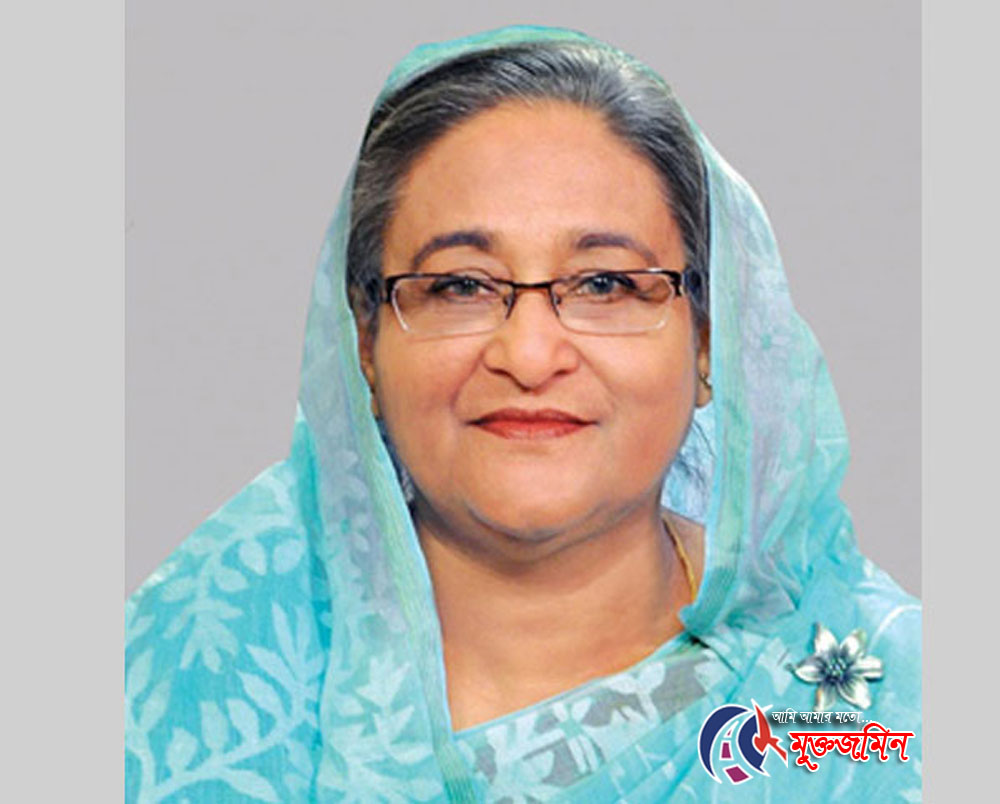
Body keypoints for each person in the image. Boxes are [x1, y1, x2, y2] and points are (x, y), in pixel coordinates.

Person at [125, 26, 921, 801]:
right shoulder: (183, 671)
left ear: (712, 341)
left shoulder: (883, 701)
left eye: (605, 283)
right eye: (459, 286)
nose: (531, 356)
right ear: (364, 342)